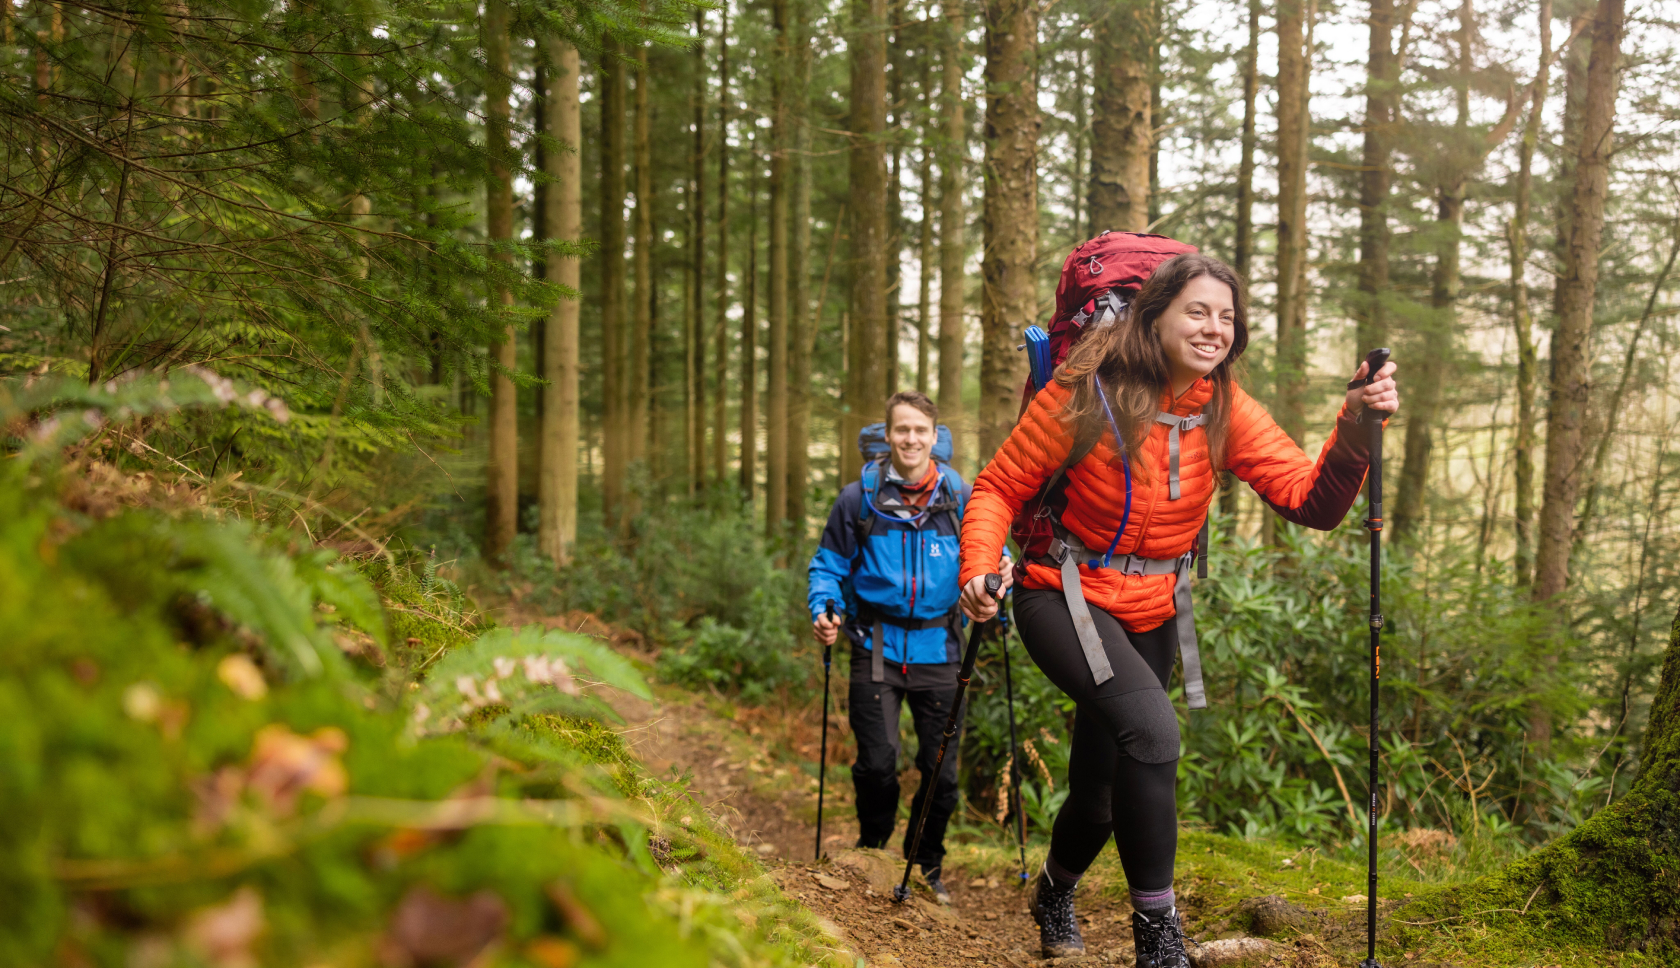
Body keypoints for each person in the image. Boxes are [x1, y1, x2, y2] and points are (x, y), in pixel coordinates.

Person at [956, 254, 1399, 966]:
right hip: (1063, 592)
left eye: (1227, 317)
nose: (1213, 328)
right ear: (1154, 314)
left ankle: (1053, 892)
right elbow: (997, 488)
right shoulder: (1085, 395)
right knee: (1155, 734)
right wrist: (979, 566)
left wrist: (1353, 425)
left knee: (1101, 791)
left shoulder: (1225, 408)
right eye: (1197, 311)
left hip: (1157, 605)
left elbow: (1310, 502)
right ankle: (1159, 942)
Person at [807, 390, 1012, 903]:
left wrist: (1001, 573)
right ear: (888, 434)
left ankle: (925, 864)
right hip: (874, 645)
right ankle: (872, 850)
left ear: (934, 437)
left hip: (941, 649)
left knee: (941, 774)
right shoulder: (858, 500)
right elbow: (828, 566)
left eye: (920, 430)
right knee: (878, 764)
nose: (911, 439)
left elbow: (991, 553)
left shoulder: (961, 496)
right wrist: (825, 607)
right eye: (902, 429)